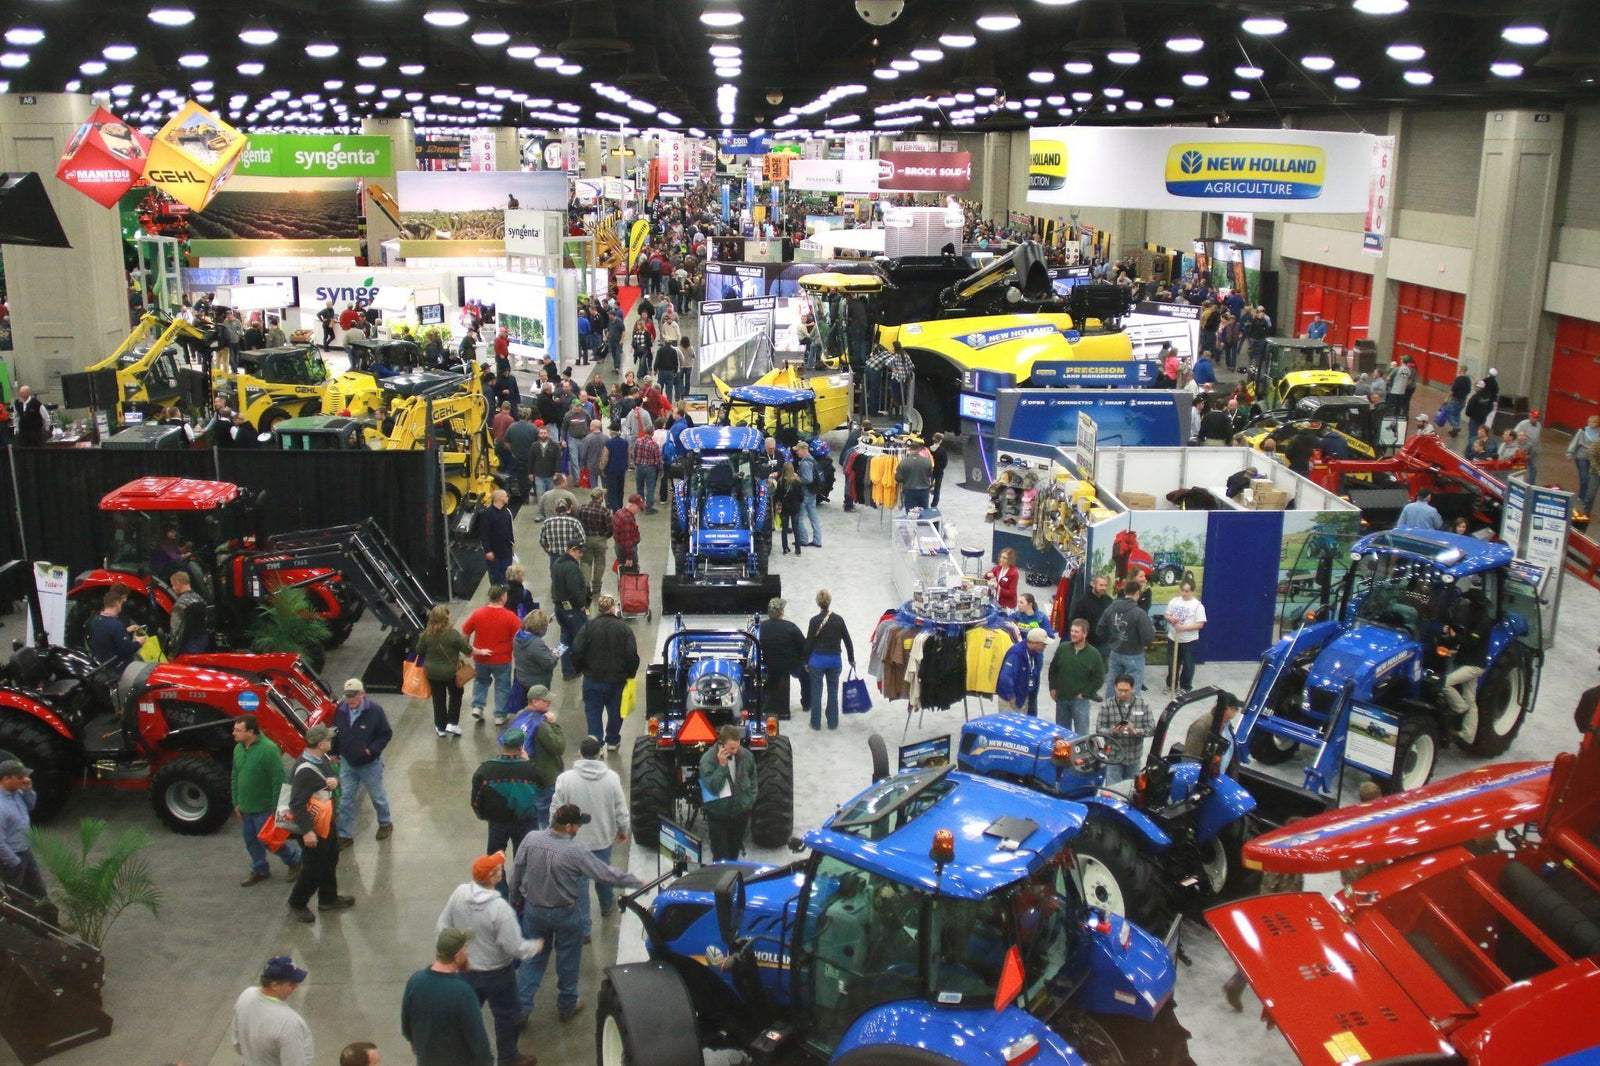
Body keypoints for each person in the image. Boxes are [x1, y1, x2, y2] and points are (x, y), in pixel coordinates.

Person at [509, 804, 643, 1023]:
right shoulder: (575, 851)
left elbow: (517, 873)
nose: (579, 829)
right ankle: (567, 1005)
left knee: (533, 959)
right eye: (578, 825)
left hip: (534, 912)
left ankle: (520, 1010)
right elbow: (605, 874)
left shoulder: (531, 839)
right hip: (566, 914)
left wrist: (515, 902)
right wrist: (635, 880)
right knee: (568, 959)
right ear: (568, 827)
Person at [435, 856, 543, 1066]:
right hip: (498, 974)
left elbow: (443, 925)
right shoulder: (500, 909)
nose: (502, 870)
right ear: (493, 876)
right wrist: (534, 947)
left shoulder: (460, 894)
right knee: (507, 1017)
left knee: (467, 1016)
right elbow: (513, 947)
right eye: (498, 868)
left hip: (467, 971)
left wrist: (456, 951)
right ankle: (508, 1057)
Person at [551, 736, 631, 938]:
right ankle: (606, 905)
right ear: (599, 754)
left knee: (579, 885)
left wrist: (555, 833)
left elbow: (556, 809)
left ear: (579, 754)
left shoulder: (565, 779)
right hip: (602, 838)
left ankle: (584, 929)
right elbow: (620, 808)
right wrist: (623, 829)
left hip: (574, 841)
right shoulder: (611, 778)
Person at [286, 724, 355, 923]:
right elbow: (296, 804)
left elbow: (330, 779)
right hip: (313, 827)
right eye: (328, 740)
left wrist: (335, 781)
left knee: (330, 859)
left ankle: (328, 897)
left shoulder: (321, 759)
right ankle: (297, 902)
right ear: (320, 743)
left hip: (326, 823)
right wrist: (307, 832)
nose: (331, 742)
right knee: (313, 867)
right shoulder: (305, 770)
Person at [400, 928, 493, 1066]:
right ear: (458, 956)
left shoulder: (415, 980)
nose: (467, 952)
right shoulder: (462, 991)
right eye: (465, 949)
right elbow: (477, 1038)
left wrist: (415, 1043)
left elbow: (406, 1023)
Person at [232, 716, 302, 887]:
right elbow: (235, 775)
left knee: (271, 841)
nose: (233, 733)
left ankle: (294, 860)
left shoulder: (269, 750)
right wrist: (236, 801)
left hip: (264, 808)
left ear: (250, 732)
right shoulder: (238, 749)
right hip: (246, 806)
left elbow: (278, 780)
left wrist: (276, 807)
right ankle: (260, 869)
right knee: (251, 840)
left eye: (238, 730)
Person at [571, 594, 639, 752]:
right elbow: (631, 654)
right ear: (613, 608)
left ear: (599, 609)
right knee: (616, 711)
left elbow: (576, 650)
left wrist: (581, 669)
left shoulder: (588, 627)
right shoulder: (624, 629)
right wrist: (630, 673)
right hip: (617, 680)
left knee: (593, 711)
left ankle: (596, 743)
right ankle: (613, 740)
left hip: (592, 679)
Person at [333, 679, 394, 847]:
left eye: (353, 696)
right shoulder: (340, 710)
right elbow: (336, 731)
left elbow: (386, 734)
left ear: (362, 694)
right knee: (346, 799)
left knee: (377, 797)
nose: (350, 700)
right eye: (347, 696)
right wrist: (334, 752)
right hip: (348, 762)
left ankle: (385, 823)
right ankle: (345, 835)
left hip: (369, 764)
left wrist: (372, 750)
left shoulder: (375, 711)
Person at [471, 728, 543, 860]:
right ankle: (519, 881)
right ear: (521, 747)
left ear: (503, 745)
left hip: (497, 822)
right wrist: (528, 762)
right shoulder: (531, 770)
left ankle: (499, 881)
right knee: (524, 860)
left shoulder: (485, 770)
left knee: (494, 861)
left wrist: (485, 816)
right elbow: (542, 791)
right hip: (525, 822)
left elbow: (476, 801)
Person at [231, 956, 315, 1066]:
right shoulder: (289, 1023)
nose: (296, 987)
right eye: (291, 984)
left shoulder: (246, 996)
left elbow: (237, 1044)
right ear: (274, 985)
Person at [463, 587, 521, 728]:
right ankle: (500, 715)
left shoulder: (478, 614)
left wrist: (468, 649)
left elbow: (465, 631)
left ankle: (478, 706)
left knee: (481, 681)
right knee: (502, 686)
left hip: (481, 658)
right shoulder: (510, 616)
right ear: (503, 597)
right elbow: (519, 637)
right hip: (502, 659)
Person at [698, 725, 758, 862]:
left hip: (740, 813)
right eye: (731, 748)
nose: (735, 751)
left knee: (733, 853)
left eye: (737, 746)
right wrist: (722, 766)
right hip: (718, 815)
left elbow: (753, 779)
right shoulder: (707, 760)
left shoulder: (746, 756)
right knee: (720, 856)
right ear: (721, 744)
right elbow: (713, 787)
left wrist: (749, 801)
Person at [1441, 588, 1492, 741]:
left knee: (1445, 683)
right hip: (1472, 662)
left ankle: (1459, 707)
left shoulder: (1482, 622)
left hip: (1474, 666)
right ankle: (1468, 735)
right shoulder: (1477, 617)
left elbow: (1470, 643)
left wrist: (1455, 636)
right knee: (1470, 699)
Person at [802, 589, 855, 731]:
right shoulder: (839, 619)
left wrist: (806, 661)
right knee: (833, 692)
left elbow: (808, 643)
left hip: (817, 661)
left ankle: (815, 723)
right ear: (829, 602)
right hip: (835, 661)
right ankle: (832, 723)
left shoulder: (814, 621)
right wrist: (851, 658)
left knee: (816, 692)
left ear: (818, 603)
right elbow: (848, 641)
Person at [417, 604, 473, 737]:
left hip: (432, 672)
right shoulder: (452, 634)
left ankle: (440, 727)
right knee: (456, 693)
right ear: (445, 618)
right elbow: (467, 650)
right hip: (450, 672)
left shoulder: (426, 634)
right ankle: (452, 723)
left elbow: (419, 651)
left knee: (438, 699)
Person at [1097, 581, 1156, 700]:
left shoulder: (1111, 607)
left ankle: (1109, 712)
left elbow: (1100, 629)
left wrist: (1111, 641)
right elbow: (1148, 638)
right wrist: (1152, 631)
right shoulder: (1140, 614)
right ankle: (1131, 715)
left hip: (1115, 652)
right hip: (1134, 655)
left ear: (1125, 592)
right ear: (1137, 594)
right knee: (1134, 688)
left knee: (1112, 685)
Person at [1048, 619, 1105, 734]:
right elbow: (1053, 669)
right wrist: (1052, 687)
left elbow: (1099, 678)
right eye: (1072, 631)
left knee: (1082, 733)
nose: (1073, 634)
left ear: (1085, 634)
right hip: (1062, 698)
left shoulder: (1094, 654)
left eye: (1077, 632)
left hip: (1080, 701)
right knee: (1061, 733)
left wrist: (1085, 693)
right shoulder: (1063, 648)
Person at [0, 759, 45, 900]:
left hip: (25, 851)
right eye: (19, 777)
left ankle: (45, 919)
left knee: (39, 892)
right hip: (11, 857)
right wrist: (14, 862)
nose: (24, 779)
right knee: (16, 897)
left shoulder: (18, 793)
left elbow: (31, 806)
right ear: (6, 779)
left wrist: (28, 791)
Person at [1098, 675, 1153, 787]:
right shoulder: (1107, 706)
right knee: (1113, 791)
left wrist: (1137, 732)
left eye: (1126, 690)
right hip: (1114, 757)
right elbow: (1099, 729)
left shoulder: (1143, 705)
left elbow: (1152, 729)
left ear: (1133, 689)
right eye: (1120, 690)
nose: (1122, 693)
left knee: (1131, 791)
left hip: (1134, 758)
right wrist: (1112, 732)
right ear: (1115, 688)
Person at [758, 597, 807, 721]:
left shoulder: (760, 627)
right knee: (806, 675)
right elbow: (804, 647)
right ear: (781, 612)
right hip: (790, 666)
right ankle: (807, 703)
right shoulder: (790, 627)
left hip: (768, 665)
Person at [507, 610, 557, 725]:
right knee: (538, 711)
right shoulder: (536, 643)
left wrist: (543, 652)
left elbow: (531, 654)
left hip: (522, 679)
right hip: (537, 682)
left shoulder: (518, 636)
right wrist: (555, 655)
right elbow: (549, 664)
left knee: (528, 708)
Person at [551, 542, 590, 680]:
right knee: (582, 637)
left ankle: (565, 668)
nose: (580, 555)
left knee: (565, 639)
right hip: (572, 610)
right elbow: (574, 589)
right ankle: (582, 666)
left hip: (560, 608)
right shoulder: (572, 567)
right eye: (579, 552)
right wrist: (582, 605)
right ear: (572, 550)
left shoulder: (557, 564)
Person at [86, 585, 148, 670]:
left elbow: (108, 636)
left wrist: (125, 630)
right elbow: (128, 649)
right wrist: (139, 642)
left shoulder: (95, 620)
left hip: (102, 664)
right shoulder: (116, 624)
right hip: (118, 668)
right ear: (117, 603)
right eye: (121, 602)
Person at [1163, 580, 1207, 694]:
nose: (1183, 593)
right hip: (1173, 638)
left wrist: (1184, 628)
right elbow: (1167, 615)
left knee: (1188, 664)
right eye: (1182, 591)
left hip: (1189, 641)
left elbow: (1200, 624)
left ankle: (1185, 687)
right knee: (1172, 663)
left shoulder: (1197, 606)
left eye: (1186, 591)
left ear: (1192, 591)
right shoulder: (1174, 602)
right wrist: (1171, 619)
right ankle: (1171, 685)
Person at [996, 627, 1049, 715]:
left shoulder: (1034, 653)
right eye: (1043, 645)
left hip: (1023, 697)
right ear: (1034, 643)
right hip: (1011, 701)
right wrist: (1011, 696)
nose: (1044, 647)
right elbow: (1005, 676)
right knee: (1010, 726)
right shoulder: (1016, 653)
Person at [576, 487, 614, 600]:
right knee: (600, 563)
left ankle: (586, 586)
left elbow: (577, 522)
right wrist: (604, 537)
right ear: (600, 498)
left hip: (585, 539)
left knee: (585, 562)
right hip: (600, 539)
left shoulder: (582, 508)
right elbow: (610, 528)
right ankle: (596, 587)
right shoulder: (604, 511)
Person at [478, 489, 515, 588]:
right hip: (494, 552)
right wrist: (487, 551)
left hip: (506, 550)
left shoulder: (506, 512)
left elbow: (510, 530)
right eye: (506, 496)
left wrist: (512, 545)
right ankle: (496, 594)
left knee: (507, 575)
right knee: (495, 577)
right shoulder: (486, 514)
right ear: (500, 498)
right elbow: (484, 534)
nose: (507, 498)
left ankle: (506, 595)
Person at [1070, 574, 1113, 659]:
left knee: (1103, 670)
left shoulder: (1109, 600)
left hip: (1105, 644)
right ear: (1093, 584)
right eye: (1101, 585)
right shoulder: (1083, 602)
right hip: (1088, 644)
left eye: (1105, 585)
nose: (1103, 588)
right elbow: (1075, 622)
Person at [168, 570, 210, 654]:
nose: (172, 588)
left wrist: (172, 651)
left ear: (178, 583)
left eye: (173, 585)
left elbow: (175, 630)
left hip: (187, 646)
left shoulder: (180, 604)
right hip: (203, 642)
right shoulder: (200, 599)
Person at [793, 441, 824, 548]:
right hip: (812, 492)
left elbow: (807, 479)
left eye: (798, 450)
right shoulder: (813, 460)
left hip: (805, 493)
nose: (796, 452)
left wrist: (796, 478)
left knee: (798, 517)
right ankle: (817, 540)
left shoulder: (805, 463)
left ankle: (803, 539)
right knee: (813, 516)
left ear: (804, 450)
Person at [1570, 414, 1600, 511]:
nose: (1592, 424)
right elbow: (1575, 442)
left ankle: (1587, 496)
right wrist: (1570, 453)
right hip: (1582, 456)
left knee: (1590, 478)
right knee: (1584, 477)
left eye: (1594, 422)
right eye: (1590, 422)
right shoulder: (1582, 431)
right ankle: (1582, 496)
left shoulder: (1599, 433)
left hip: (1592, 459)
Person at [629, 426, 661, 513]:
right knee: (650, 488)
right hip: (650, 468)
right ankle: (649, 508)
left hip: (639, 467)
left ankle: (640, 506)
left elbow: (633, 454)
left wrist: (635, 463)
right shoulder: (654, 444)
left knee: (639, 487)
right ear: (653, 433)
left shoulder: (638, 441)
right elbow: (658, 459)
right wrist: (661, 470)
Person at [775, 463, 806, 556]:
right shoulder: (797, 482)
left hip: (784, 508)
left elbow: (777, 496)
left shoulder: (780, 482)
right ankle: (798, 549)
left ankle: (785, 548)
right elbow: (801, 497)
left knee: (784, 529)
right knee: (796, 528)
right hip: (795, 508)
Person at [895, 440, 934, 512]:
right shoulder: (927, 461)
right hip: (924, 491)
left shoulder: (903, 463)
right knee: (924, 513)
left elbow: (898, 478)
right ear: (919, 449)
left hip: (910, 491)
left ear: (909, 449)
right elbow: (930, 475)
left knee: (911, 513)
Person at [528, 425, 561, 507]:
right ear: (538, 435)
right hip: (538, 475)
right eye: (541, 433)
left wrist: (557, 472)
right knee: (540, 496)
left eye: (545, 433)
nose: (543, 435)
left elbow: (557, 460)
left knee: (550, 496)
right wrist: (530, 473)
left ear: (548, 434)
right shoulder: (534, 446)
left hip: (550, 475)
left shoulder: (554, 446)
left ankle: (550, 513)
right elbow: (531, 460)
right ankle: (540, 514)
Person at [612, 493, 644, 572]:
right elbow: (628, 541)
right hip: (627, 551)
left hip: (619, 547)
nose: (639, 510)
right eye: (638, 507)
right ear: (632, 505)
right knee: (631, 578)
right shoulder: (627, 519)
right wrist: (629, 558)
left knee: (624, 573)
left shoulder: (619, 512)